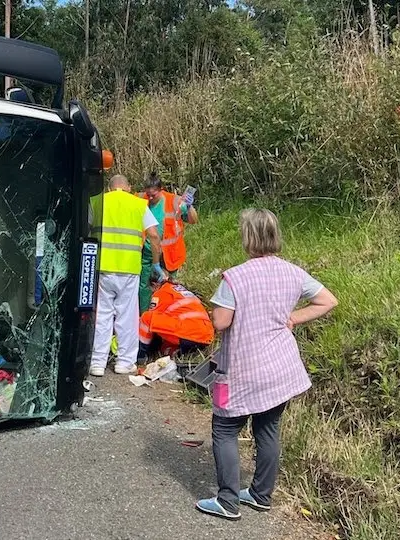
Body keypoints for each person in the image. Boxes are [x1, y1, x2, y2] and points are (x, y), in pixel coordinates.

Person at [195, 208, 337, 521]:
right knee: (268, 429)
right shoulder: (294, 272)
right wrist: (292, 318)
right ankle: (260, 494)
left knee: (225, 428)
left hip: (241, 370)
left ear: (247, 238)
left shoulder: (235, 276)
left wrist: (213, 305)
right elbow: (328, 300)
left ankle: (228, 501)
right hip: (281, 369)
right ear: (275, 235)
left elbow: (220, 321)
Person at [89, 174, 164, 377]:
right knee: (127, 316)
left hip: (103, 267)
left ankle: (97, 363)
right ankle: (124, 362)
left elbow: (85, 230)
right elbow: (154, 235)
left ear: (110, 187)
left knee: (102, 316)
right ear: (129, 187)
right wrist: (156, 263)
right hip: (129, 270)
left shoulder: (97, 202)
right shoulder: (138, 204)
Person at [137, 172, 198, 314]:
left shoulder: (174, 201)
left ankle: (167, 315)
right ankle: (145, 316)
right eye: (148, 194)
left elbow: (193, 220)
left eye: (154, 195)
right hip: (146, 253)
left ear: (161, 189)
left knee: (169, 286)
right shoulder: (140, 199)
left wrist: (189, 207)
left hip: (169, 254)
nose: (150, 198)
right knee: (144, 286)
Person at [138, 279, 213, 360]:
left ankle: (141, 356)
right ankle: (175, 353)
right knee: (165, 345)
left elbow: (151, 324)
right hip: (205, 336)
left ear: (154, 285)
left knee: (147, 318)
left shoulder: (161, 292)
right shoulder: (176, 290)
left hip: (188, 333)